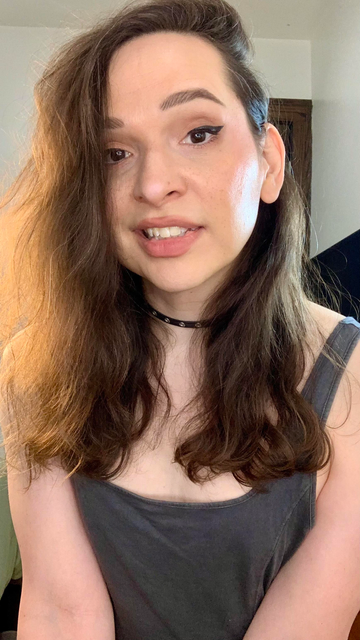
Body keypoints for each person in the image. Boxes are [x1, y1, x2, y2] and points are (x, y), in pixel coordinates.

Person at [0, 0, 359, 638]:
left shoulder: (350, 373)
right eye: (114, 152)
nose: (153, 183)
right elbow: (61, 611)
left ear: (269, 162)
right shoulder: (35, 367)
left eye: (198, 133)